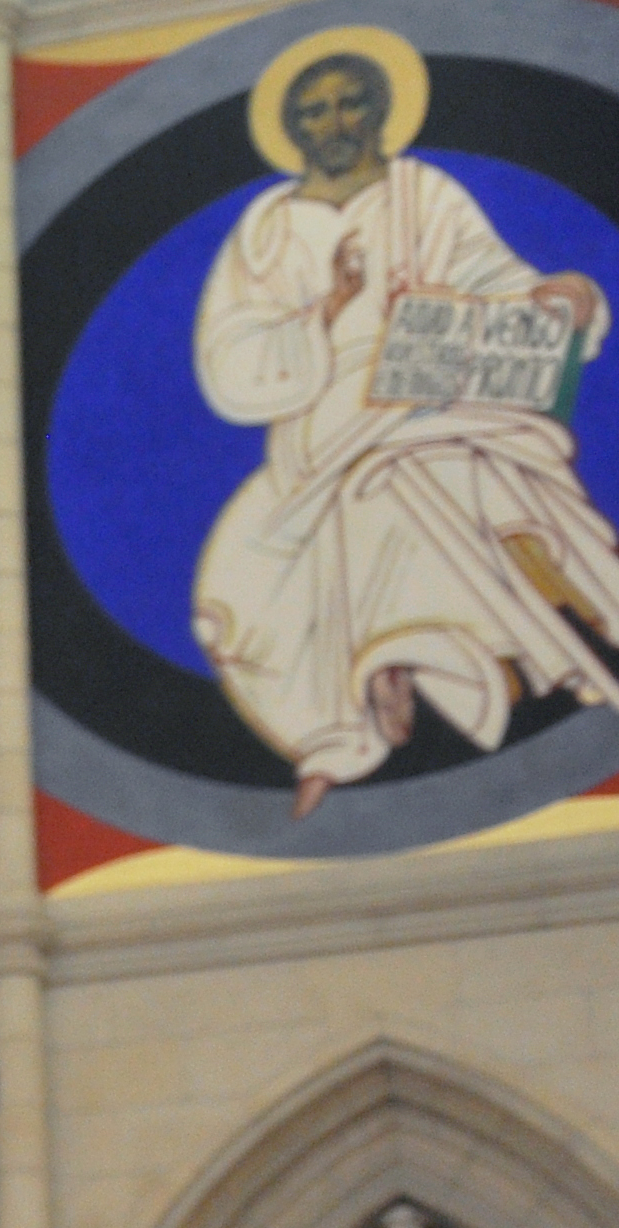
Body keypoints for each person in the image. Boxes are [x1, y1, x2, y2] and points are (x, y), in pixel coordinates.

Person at [191, 38, 619, 818]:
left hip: (440, 391)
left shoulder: (428, 193)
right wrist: (326, 309)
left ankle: (415, 657)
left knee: (441, 468)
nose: (335, 121)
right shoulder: (265, 227)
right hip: (325, 418)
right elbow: (230, 357)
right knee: (338, 505)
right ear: (293, 128)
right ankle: (383, 674)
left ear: (382, 111)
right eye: (314, 110)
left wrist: (562, 296)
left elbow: (501, 281)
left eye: (351, 101)